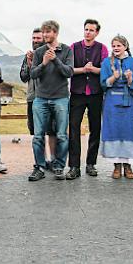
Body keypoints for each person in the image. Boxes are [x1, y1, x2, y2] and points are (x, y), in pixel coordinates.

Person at [28, 20, 74, 181]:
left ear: (55, 33)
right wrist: (44, 62)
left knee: (61, 135)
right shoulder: (39, 52)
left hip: (61, 98)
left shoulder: (66, 50)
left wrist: (55, 59)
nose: (45, 35)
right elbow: (33, 74)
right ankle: (39, 167)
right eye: (44, 32)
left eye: (48, 32)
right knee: (38, 136)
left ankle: (59, 167)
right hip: (40, 99)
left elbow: (69, 72)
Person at [66, 19, 109, 179]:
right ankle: (74, 166)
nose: (88, 32)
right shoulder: (74, 47)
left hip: (96, 94)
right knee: (74, 129)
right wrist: (83, 70)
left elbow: (106, 70)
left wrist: (94, 69)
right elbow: (69, 69)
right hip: (77, 94)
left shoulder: (102, 48)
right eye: (86, 29)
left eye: (91, 30)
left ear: (97, 32)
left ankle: (91, 164)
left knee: (95, 129)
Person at [99, 35, 133, 179]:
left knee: (128, 133)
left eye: (119, 45)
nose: (116, 48)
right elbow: (103, 84)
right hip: (111, 102)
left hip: (129, 102)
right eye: (114, 46)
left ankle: (128, 166)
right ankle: (116, 167)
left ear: (125, 46)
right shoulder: (106, 62)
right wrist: (114, 77)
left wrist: (130, 79)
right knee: (114, 132)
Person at [19, 28, 56, 168]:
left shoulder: (52, 54)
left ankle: (53, 160)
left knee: (52, 130)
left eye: (38, 38)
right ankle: (41, 162)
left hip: (50, 97)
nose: (35, 41)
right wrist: (29, 63)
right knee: (36, 132)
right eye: (33, 38)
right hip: (33, 98)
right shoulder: (28, 56)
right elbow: (23, 77)